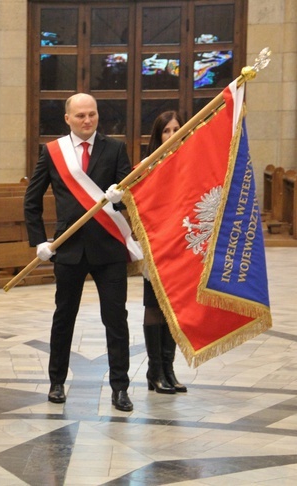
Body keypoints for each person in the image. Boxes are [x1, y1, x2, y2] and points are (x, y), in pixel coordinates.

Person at [23, 93, 141, 412]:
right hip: (69, 249)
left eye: (92, 114)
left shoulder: (115, 148)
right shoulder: (52, 152)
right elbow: (31, 202)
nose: (87, 120)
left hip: (109, 248)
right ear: (67, 119)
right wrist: (39, 241)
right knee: (64, 318)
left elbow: (131, 198)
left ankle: (120, 388)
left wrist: (119, 197)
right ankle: (57, 382)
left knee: (116, 319)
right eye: (80, 116)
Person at [142, 110, 187, 394]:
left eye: (176, 129)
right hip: (157, 245)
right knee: (154, 307)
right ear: (158, 135)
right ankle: (154, 370)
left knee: (173, 309)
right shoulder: (148, 166)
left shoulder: (190, 164)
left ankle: (169, 369)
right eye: (166, 131)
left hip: (182, 247)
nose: (171, 135)